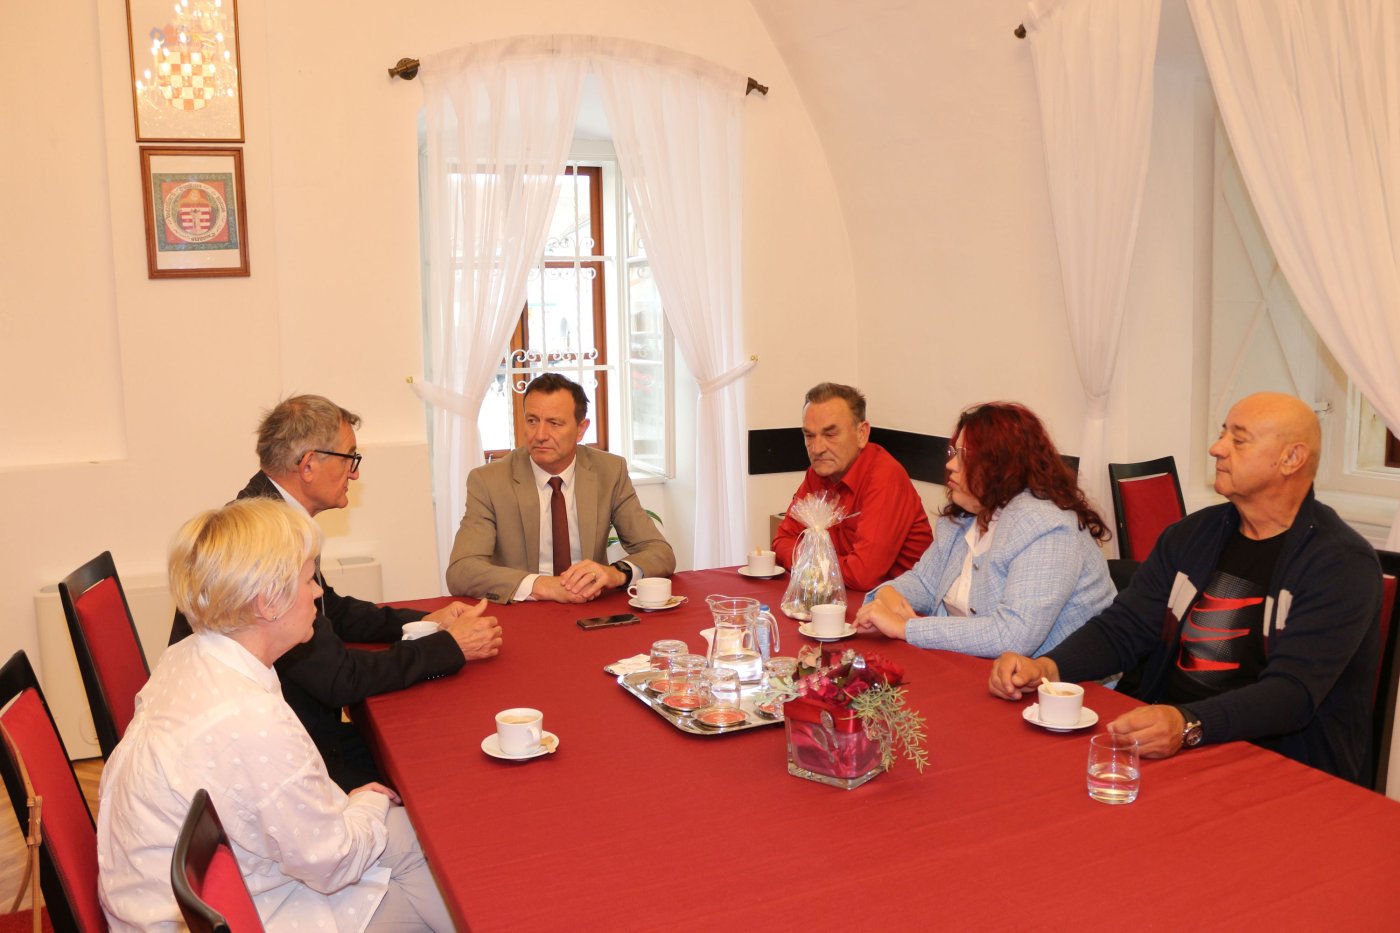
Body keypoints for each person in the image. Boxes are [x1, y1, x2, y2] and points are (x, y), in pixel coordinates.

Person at [988, 393, 1383, 785]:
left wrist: (1188, 723)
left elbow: (1291, 695)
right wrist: (1049, 667)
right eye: (1222, 433)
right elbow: (1125, 627)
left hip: (1280, 767)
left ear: (1291, 459)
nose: (1217, 448)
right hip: (1173, 743)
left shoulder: (1339, 563)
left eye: (1238, 439)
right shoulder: (1193, 535)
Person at [100, 498, 454, 931]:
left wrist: (363, 808)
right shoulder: (251, 719)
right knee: (428, 872)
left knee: (417, 840)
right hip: (212, 916)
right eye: (308, 580)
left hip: (172, 895)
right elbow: (334, 863)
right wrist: (367, 802)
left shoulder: (191, 654)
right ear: (268, 602)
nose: (318, 592)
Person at [170, 394, 503, 791]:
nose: (354, 473)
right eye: (350, 458)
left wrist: (426, 621)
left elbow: (330, 608)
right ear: (309, 464)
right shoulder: (267, 541)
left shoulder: (268, 514)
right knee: (439, 765)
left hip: (292, 727)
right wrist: (450, 647)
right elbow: (340, 678)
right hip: (278, 756)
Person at [854, 402, 1114, 656]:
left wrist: (907, 628)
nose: (950, 465)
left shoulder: (1046, 527)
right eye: (953, 452)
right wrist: (888, 592)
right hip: (978, 666)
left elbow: (1011, 636)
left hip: (1059, 679)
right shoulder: (964, 517)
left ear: (1004, 466)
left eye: (965, 456)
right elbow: (924, 582)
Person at [446, 373, 676, 603]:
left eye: (554, 423)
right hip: (522, 609)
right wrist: (542, 585)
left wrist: (615, 573)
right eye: (532, 421)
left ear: (581, 429)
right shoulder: (489, 481)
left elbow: (659, 552)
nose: (540, 435)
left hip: (590, 607)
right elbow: (461, 571)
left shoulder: (609, 471)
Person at [772, 383, 932, 590]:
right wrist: (818, 563)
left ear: (861, 434)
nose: (817, 449)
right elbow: (781, 542)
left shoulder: (884, 476)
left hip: (899, 602)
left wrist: (809, 563)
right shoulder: (818, 472)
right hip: (838, 595)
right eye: (809, 436)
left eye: (830, 435)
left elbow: (861, 575)